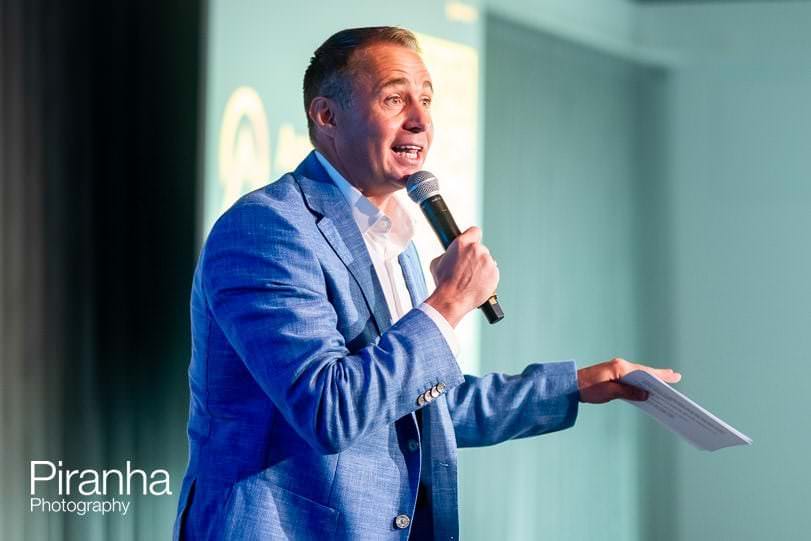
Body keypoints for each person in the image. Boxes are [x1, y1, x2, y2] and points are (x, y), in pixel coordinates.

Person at [173, 26, 681, 541]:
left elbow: (423, 407)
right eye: (395, 98)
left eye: (426, 99)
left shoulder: (397, 236)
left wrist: (577, 386)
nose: (420, 120)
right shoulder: (268, 228)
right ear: (327, 116)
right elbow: (330, 410)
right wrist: (450, 302)